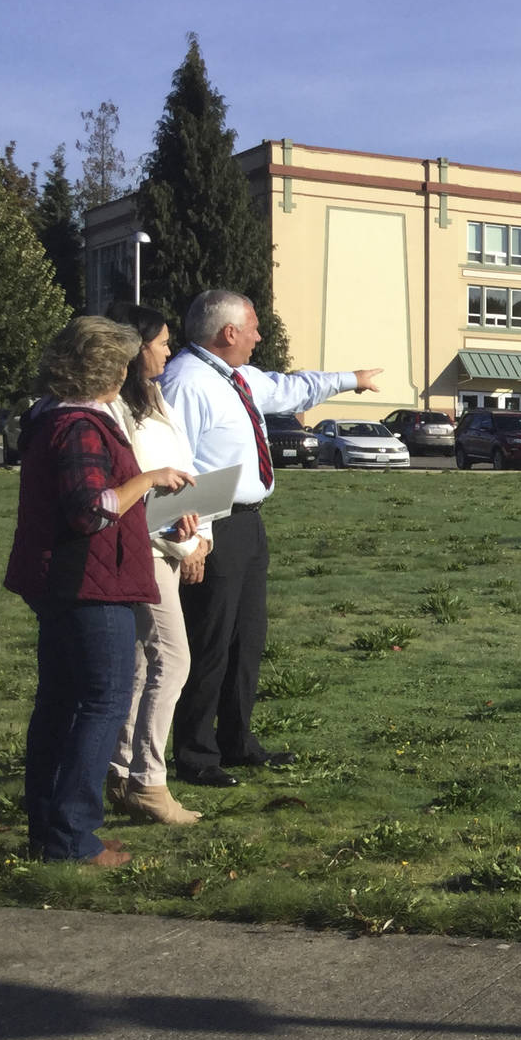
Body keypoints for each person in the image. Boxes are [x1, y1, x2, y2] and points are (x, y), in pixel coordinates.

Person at [160, 289, 379, 788]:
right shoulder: (186, 384)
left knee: (246, 639)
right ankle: (195, 752)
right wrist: (193, 539)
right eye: (254, 327)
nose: (260, 336)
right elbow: (179, 466)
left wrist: (352, 381)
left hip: (249, 523)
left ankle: (237, 741)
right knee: (209, 640)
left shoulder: (235, 377)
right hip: (212, 527)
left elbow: (289, 389)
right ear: (228, 332)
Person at [4, 317, 196, 866]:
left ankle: (50, 830)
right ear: (110, 369)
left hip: (68, 580)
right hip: (88, 583)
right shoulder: (82, 426)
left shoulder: (49, 418)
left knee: (61, 704)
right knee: (101, 702)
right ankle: (72, 838)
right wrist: (151, 479)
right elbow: (92, 510)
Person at [103, 303, 207, 825]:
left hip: (167, 541)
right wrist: (179, 534)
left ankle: (120, 770)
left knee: (145, 663)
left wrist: (196, 535)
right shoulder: (115, 412)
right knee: (174, 657)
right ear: (136, 346)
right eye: (163, 342)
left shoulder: (155, 397)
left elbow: (183, 470)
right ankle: (149, 779)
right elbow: (133, 486)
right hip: (140, 547)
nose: (169, 350)